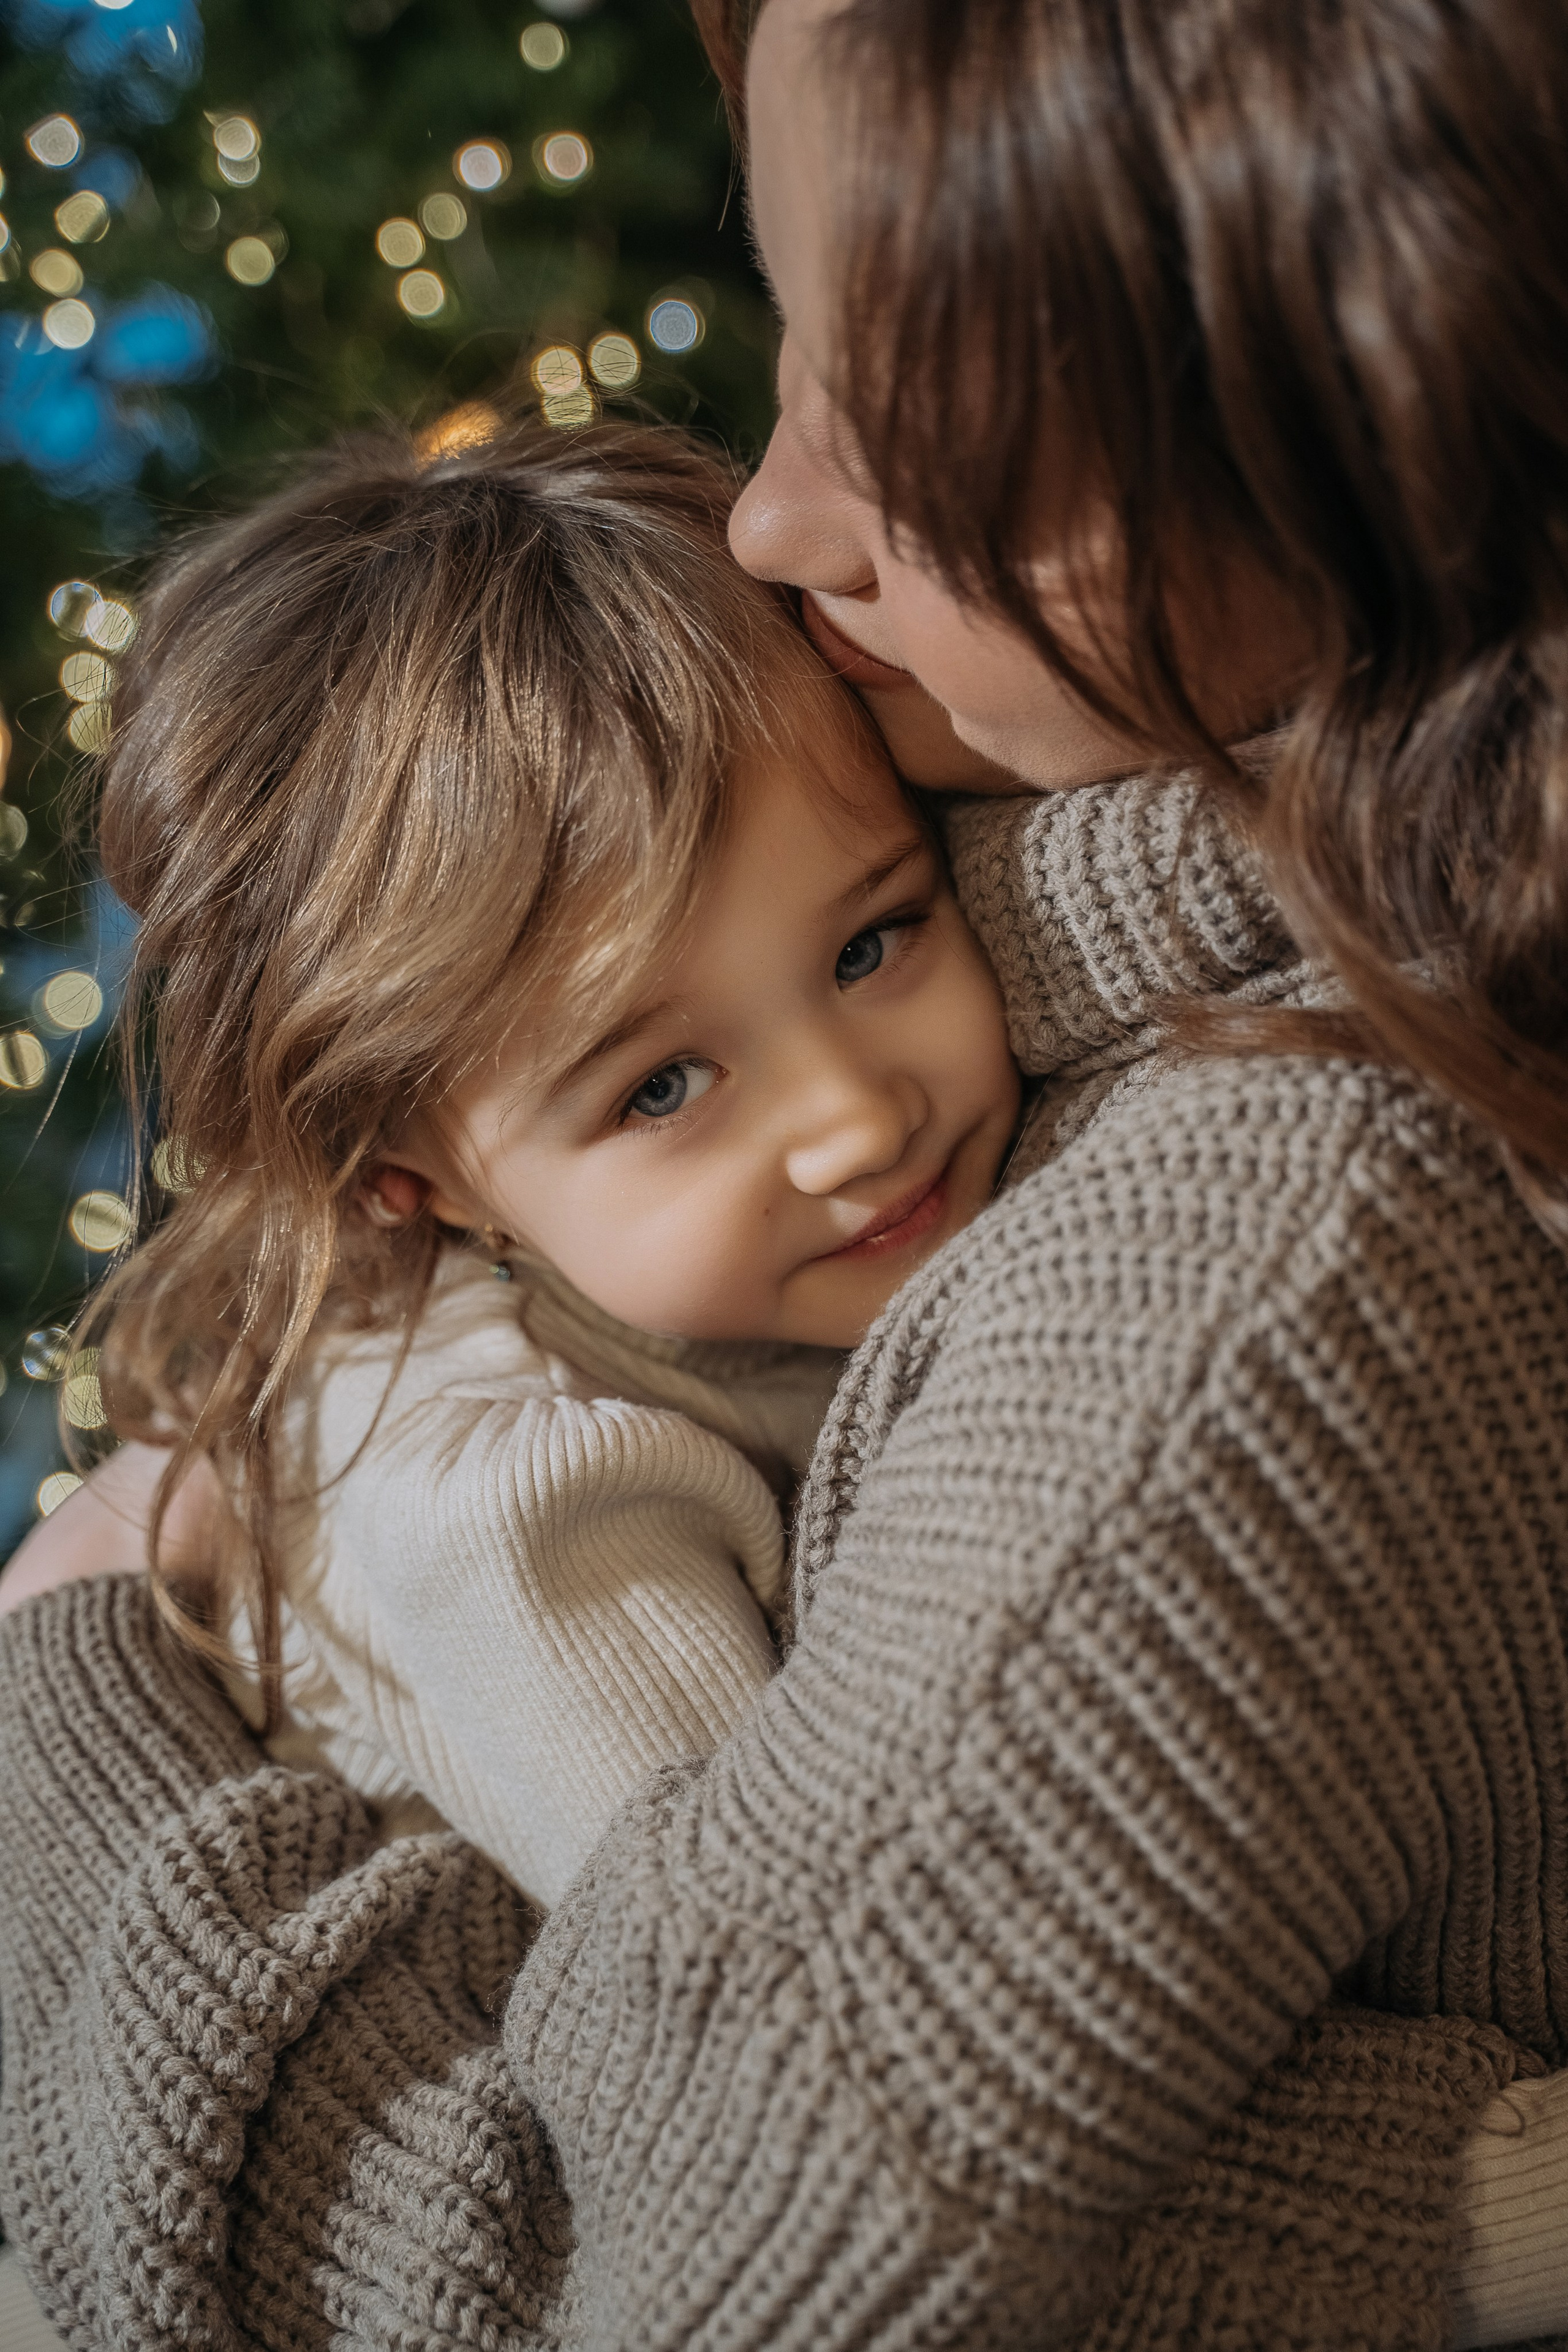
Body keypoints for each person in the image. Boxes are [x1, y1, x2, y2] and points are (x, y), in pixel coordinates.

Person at [6, 0, 1568, 2344]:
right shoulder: (1075, 899)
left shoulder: (1261, 1257)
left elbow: (651, 2255)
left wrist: (63, 1765)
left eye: (910, 430)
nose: (770, 517)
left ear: (1337, 439)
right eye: (786, 347)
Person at [2, 417, 1017, 1913]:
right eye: (661, 1087)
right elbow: (779, 1994)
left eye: (870, 943)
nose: (856, 1119)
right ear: (413, 1181)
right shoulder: (518, 1501)